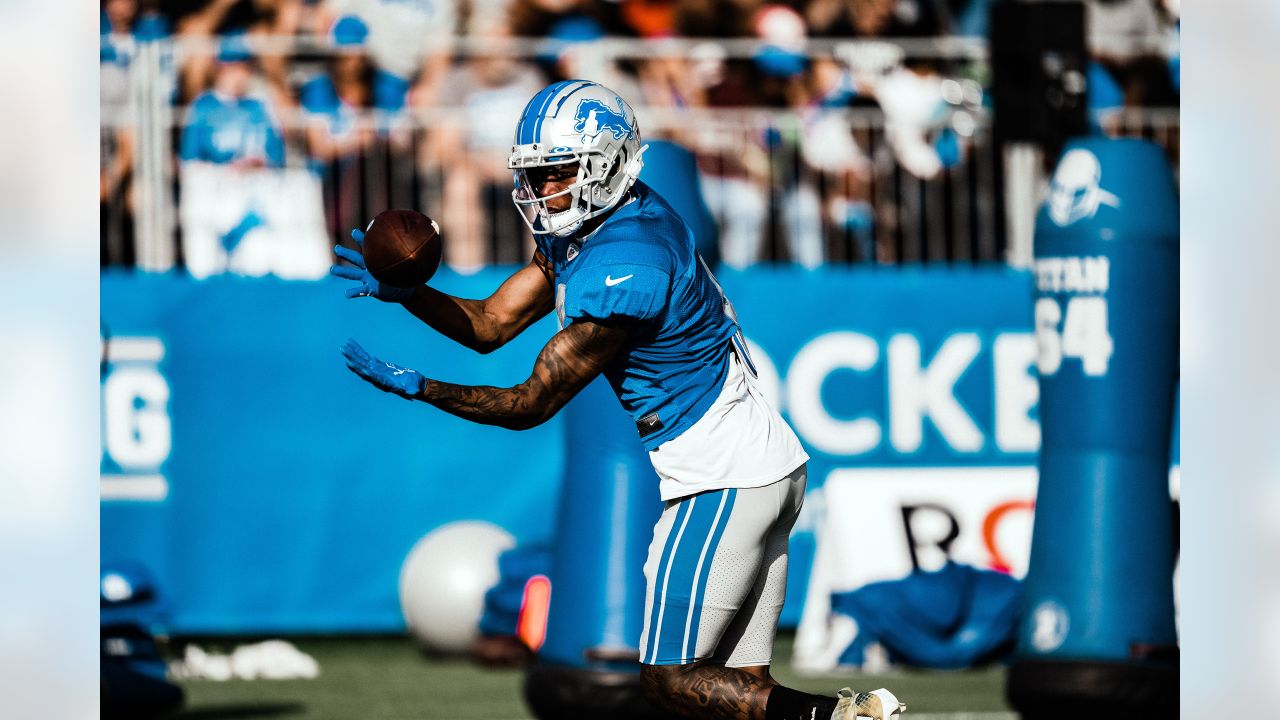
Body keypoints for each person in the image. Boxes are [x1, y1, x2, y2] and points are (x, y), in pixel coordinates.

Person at [329, 79, 906, 720]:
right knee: (734, 695)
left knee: (670, 682)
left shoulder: (630, 256)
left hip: (722, 478)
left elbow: (530, 404)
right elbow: (492, 323)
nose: (544, 190)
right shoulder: (608, 221)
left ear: (607, 164)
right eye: (537, 174)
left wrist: (421, 387)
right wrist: (411, 293)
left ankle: (849, 718)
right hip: (762, 469)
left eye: (558, 172)